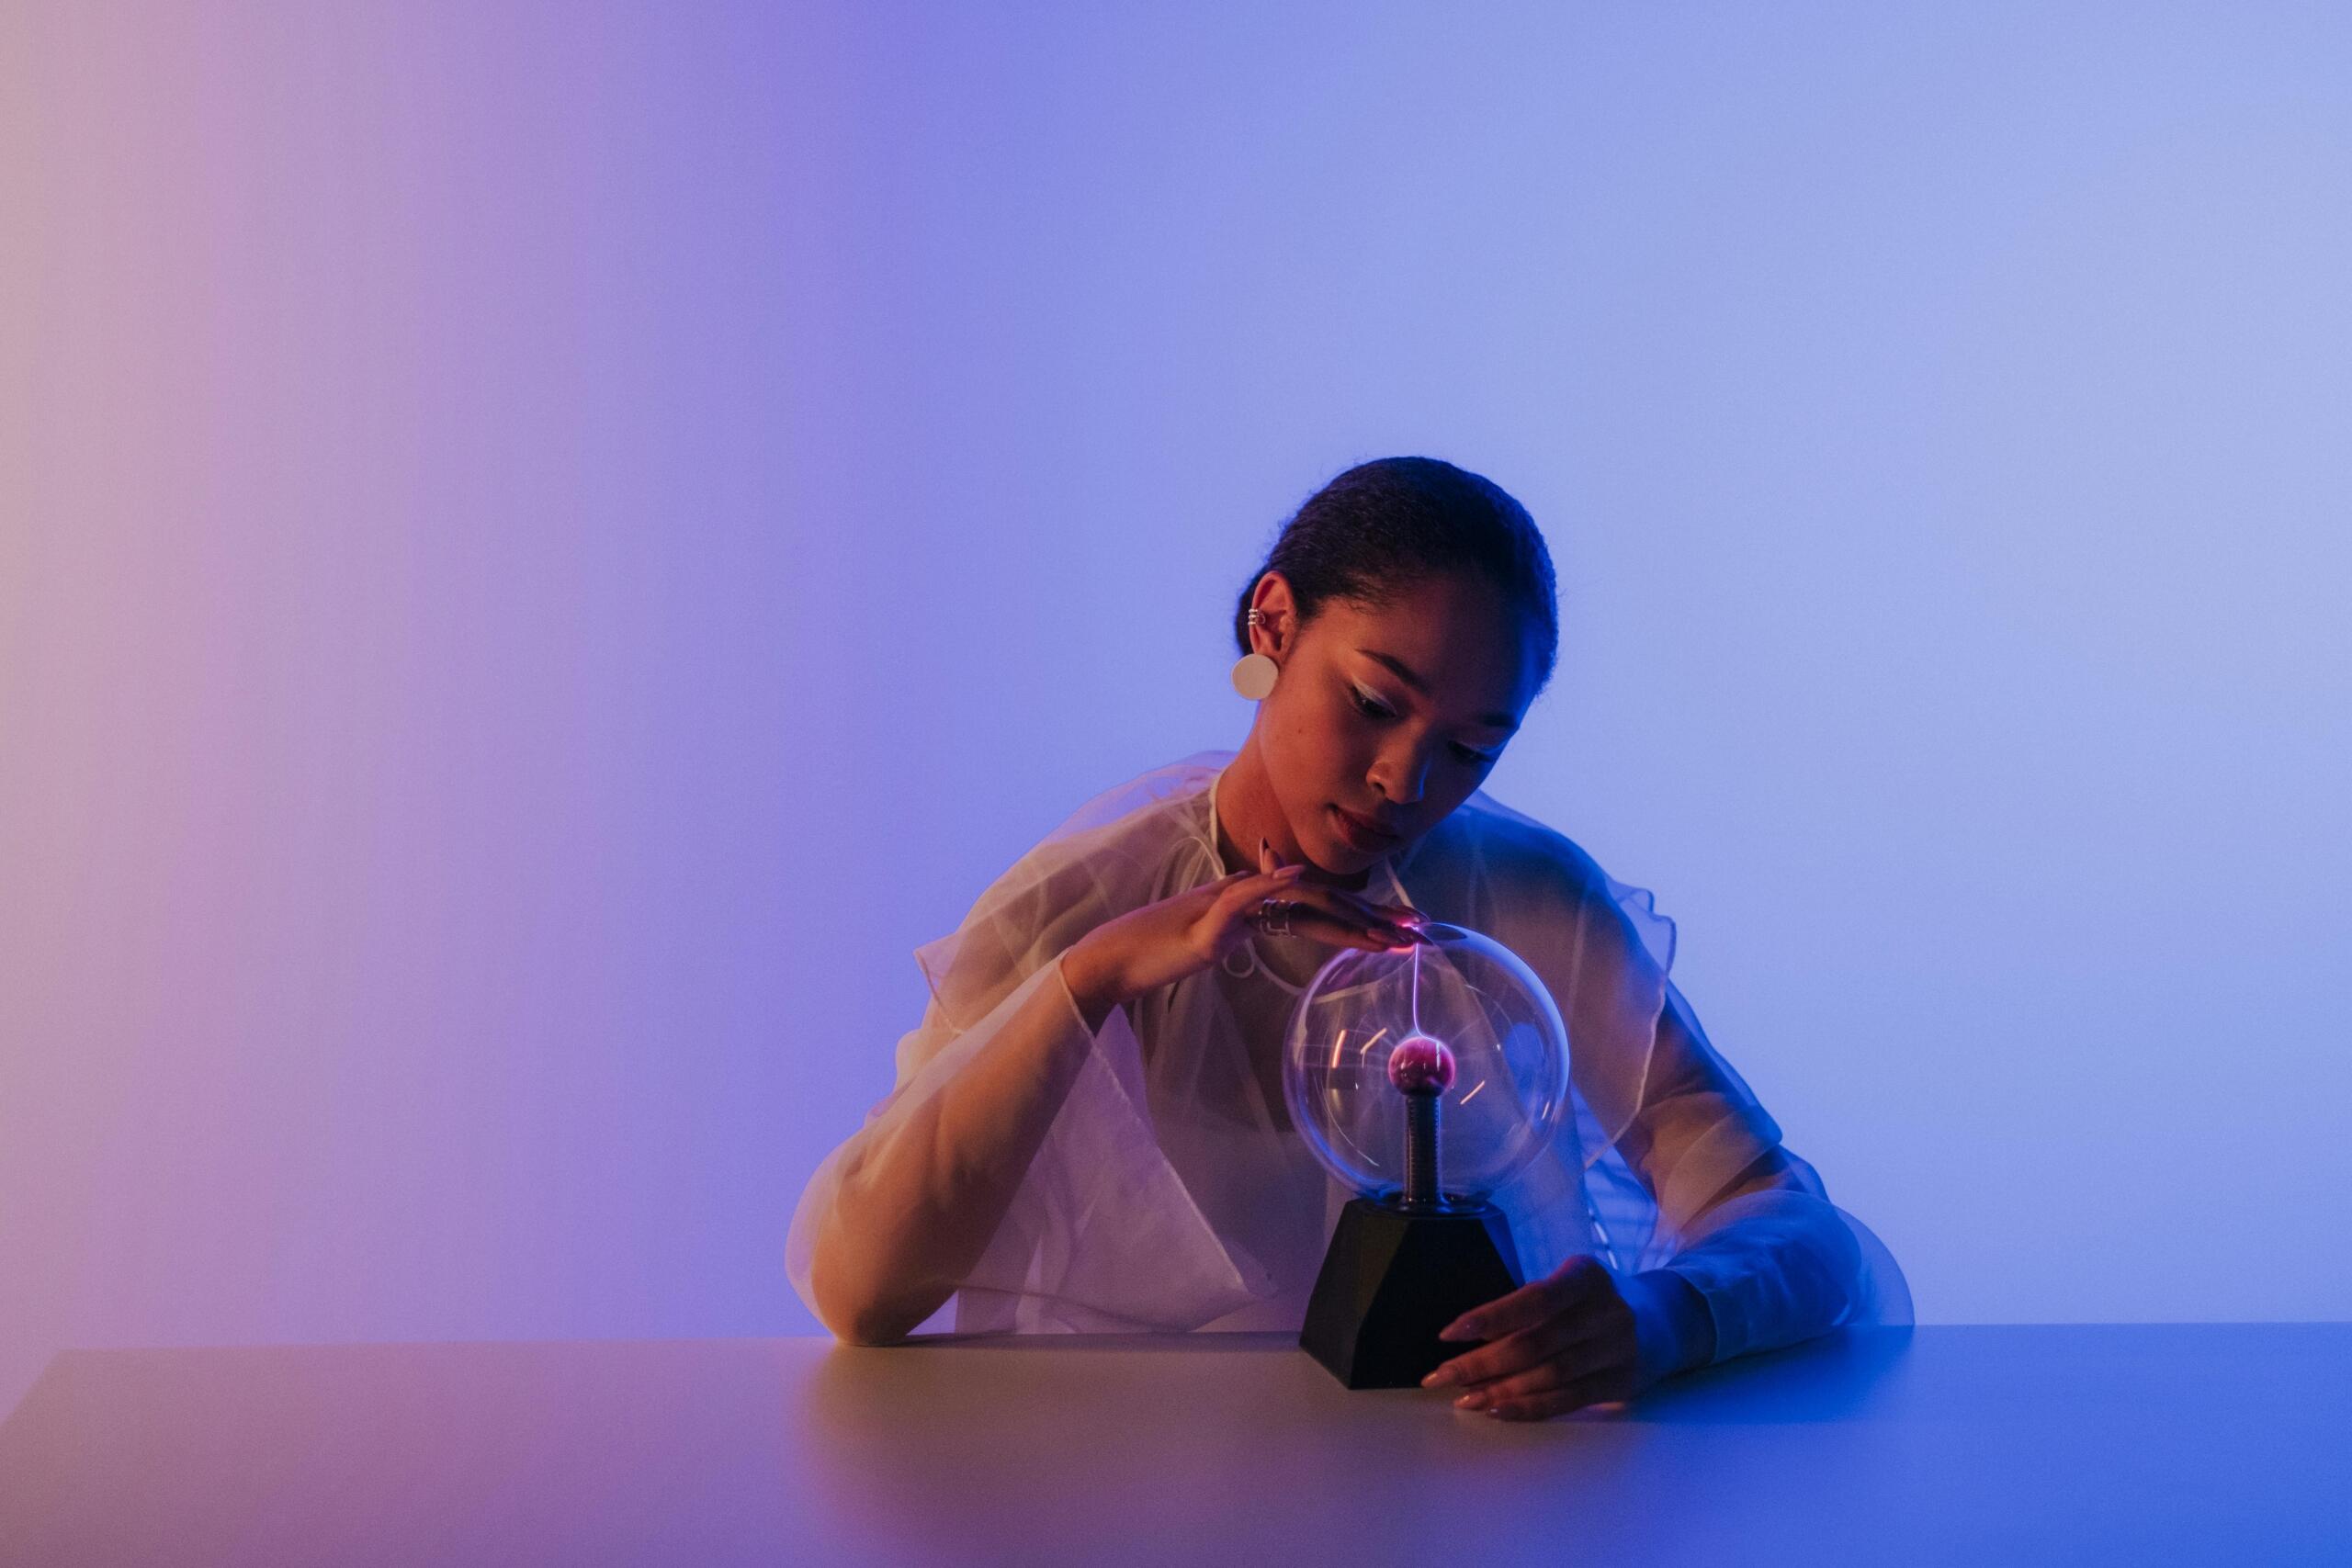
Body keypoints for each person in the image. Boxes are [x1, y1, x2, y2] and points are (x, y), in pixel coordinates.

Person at [787, 457, 1911, 1421]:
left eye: (1469, 749)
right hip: (1129, 1488)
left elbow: (1796, 1225)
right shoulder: (1074, 910)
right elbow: (857, 1293)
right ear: (1272, 624)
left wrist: (1663, 1318)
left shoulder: (1529, 903)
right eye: (1375, 702)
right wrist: (1097, 976)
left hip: (1465, 1489)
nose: (1405, 783)